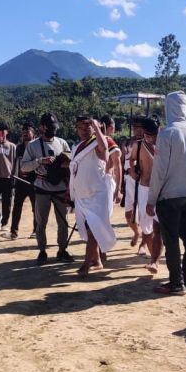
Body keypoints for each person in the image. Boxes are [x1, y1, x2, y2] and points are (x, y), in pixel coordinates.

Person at [146, 91, 186, 295]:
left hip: (170, 195)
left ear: (168, 108)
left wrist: (151, 199)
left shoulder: (167, 133)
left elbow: (159, 171)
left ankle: (176, 284)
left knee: (171, 240)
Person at [20, 113, 73, 265]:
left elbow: (72, 165)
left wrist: (64, 166)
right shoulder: (33, 145)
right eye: (50, 126)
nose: (53, 130)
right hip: (42, 187)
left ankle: (62, 250)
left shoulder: (62, 143)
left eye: (55, 127)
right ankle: (42, 251)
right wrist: (39, 161)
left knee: (63, 222)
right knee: (41, 222)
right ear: (42, 127)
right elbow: (24, 166)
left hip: (61, 189)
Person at [70, 115, 117, 275]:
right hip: (81, 196)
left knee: (93, 230)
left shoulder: (98, 143)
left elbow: (104, 148)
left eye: (87, 127)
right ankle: (97, 261)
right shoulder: (76, 147)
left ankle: (86, 264)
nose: (84, 130)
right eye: (80, 127)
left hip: (97, 195)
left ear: (94, 128)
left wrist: (97, 128)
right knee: (90, 230)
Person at [134, 116, 163, 273]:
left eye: (153, 134)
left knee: (159, 226)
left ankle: (155, 261)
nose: (150, 137)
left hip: (162, 191)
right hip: (145, 188)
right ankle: (154, 256)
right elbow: (131, 162)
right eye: (147, 134)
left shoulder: (165, 143)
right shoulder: (138, 146)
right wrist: (133, 173)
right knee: (146, 226)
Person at [4, 122, 37, 240]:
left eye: (27, 132)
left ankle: (36, 231)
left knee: (35, 209)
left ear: (33, 133)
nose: (25, 135)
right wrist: (13, 175)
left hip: (34, 182)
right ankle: (14, 232)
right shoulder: (19, 147)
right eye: (23, 133)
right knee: (16, 207)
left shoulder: (37, 147)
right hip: (20, 182)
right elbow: (16, 163)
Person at [123, 117, 146, 248]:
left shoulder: (147, 143)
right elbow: (122, 162)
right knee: (128, 215)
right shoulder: (126, 143)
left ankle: (143, 243)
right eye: (135, 128)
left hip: (142, 181)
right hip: (129, 181)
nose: (137, 130)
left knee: (143, 214)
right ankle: (136, 233)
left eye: (140, 127)